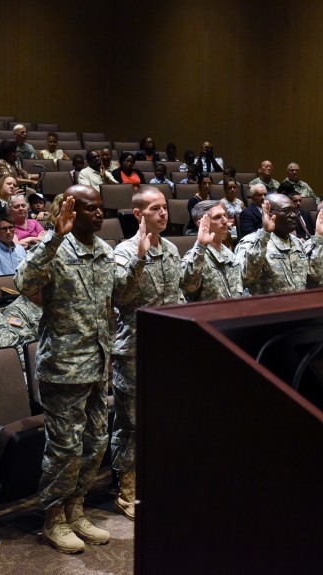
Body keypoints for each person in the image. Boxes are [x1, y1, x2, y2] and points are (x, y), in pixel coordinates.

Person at [15, 185, 146, 554]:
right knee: (64, 447)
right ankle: (53, 517)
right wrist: (54, 237)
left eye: (101, 208)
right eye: (90, 208)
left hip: (98, 363)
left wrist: (137, 261)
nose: (99, 214)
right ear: (70, 210)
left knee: (95, 443)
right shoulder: (54, 248)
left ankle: (76, 508)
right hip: (63, 367)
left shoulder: (104, 252)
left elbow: (120, 297)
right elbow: (24, 283)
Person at [111, 186, 182, 521]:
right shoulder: (124, 252)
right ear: (138, 214)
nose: (163, 213)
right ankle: (128, 488)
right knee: (132, 424)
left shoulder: (170, 249)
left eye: (165, 207)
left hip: (166, 351)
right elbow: (121, 298)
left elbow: (176, 296)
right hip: (134, 352)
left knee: (165, 419)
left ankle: (157, 478)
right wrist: (139, 258)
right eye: (155, 209)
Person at [237, 193, 308, 295]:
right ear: (269, 212)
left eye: (295, 211)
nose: (293, 215)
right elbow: (245, 278)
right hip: (267, 309)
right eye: (286, 211)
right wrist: (265, 234)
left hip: (297, 307)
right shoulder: (251, 242)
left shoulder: (298, 243)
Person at [182, 200, 244, 301]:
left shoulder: (229, 253)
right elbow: (188, 288)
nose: (225, 221)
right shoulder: (194, 257)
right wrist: (201, 246)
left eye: (225, 215)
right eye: (217, 217)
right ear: (201, 224)